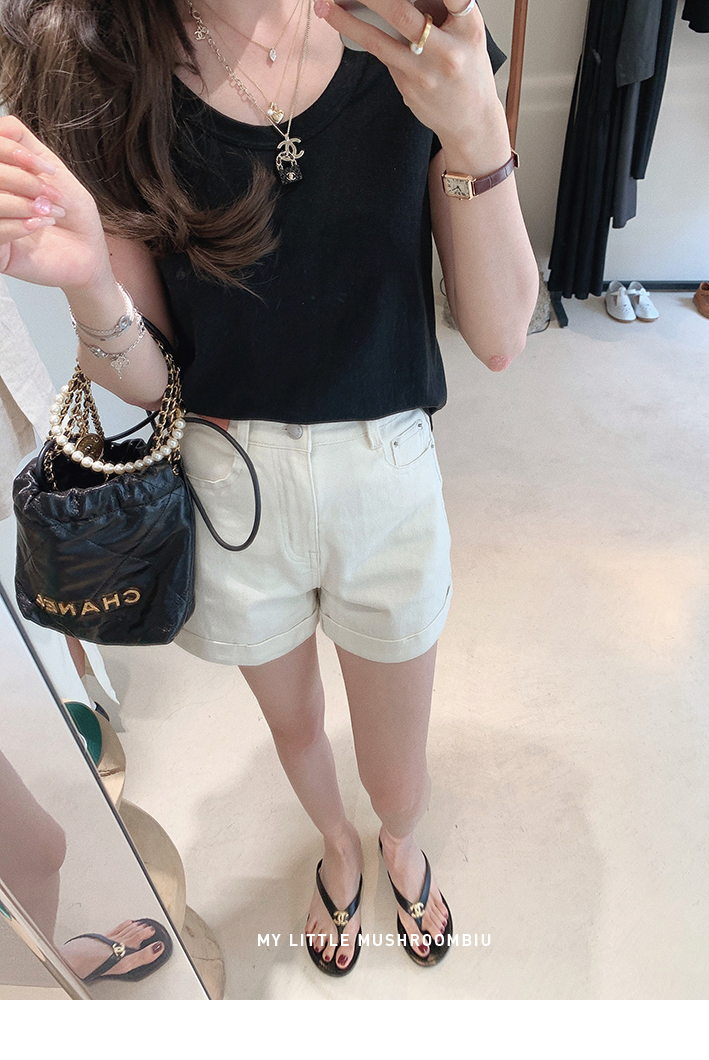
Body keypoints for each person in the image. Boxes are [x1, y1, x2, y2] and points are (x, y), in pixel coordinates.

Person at [0, 0, 538, 975]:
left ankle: (399, 841)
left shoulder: (412, 29)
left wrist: (479, 132)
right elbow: (156, 377)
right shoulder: (111, 70)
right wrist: (89, 284)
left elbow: (500, 337)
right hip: (227, 481)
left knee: (398, 762)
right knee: (293, 725)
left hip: (384, 475)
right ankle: (338, 845)